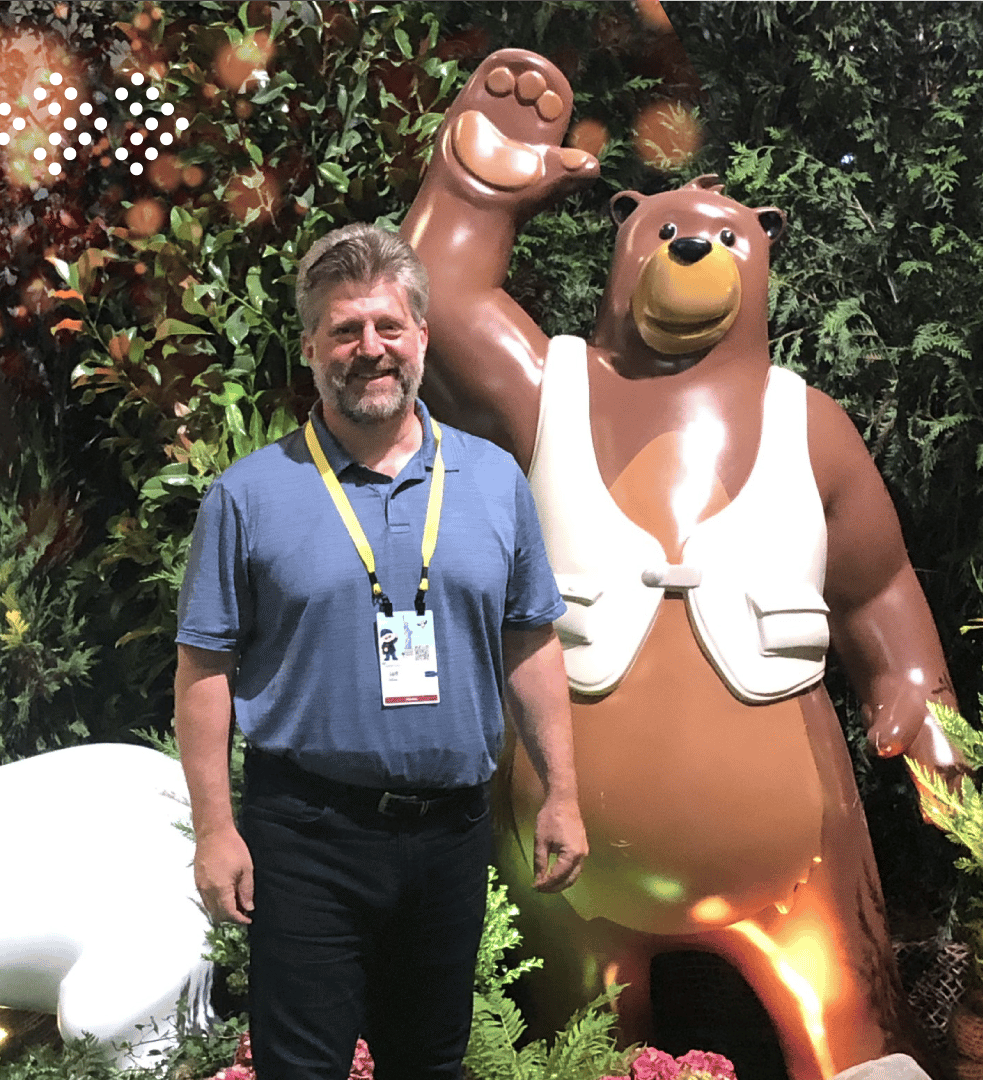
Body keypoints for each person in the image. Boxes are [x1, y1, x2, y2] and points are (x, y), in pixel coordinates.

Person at [174, 222, 587, 1080]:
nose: (370, 350)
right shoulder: (248, 497)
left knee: (430, 1063)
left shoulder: (495, 480)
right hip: (307, 833)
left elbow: (530, 642)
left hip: (449, 833)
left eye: (388, 328)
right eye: (345, 330)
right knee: (301, 1068)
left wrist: (563, 794)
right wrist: (216, 828)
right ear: (312, 348)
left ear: (422, 337)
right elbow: (204, 671)